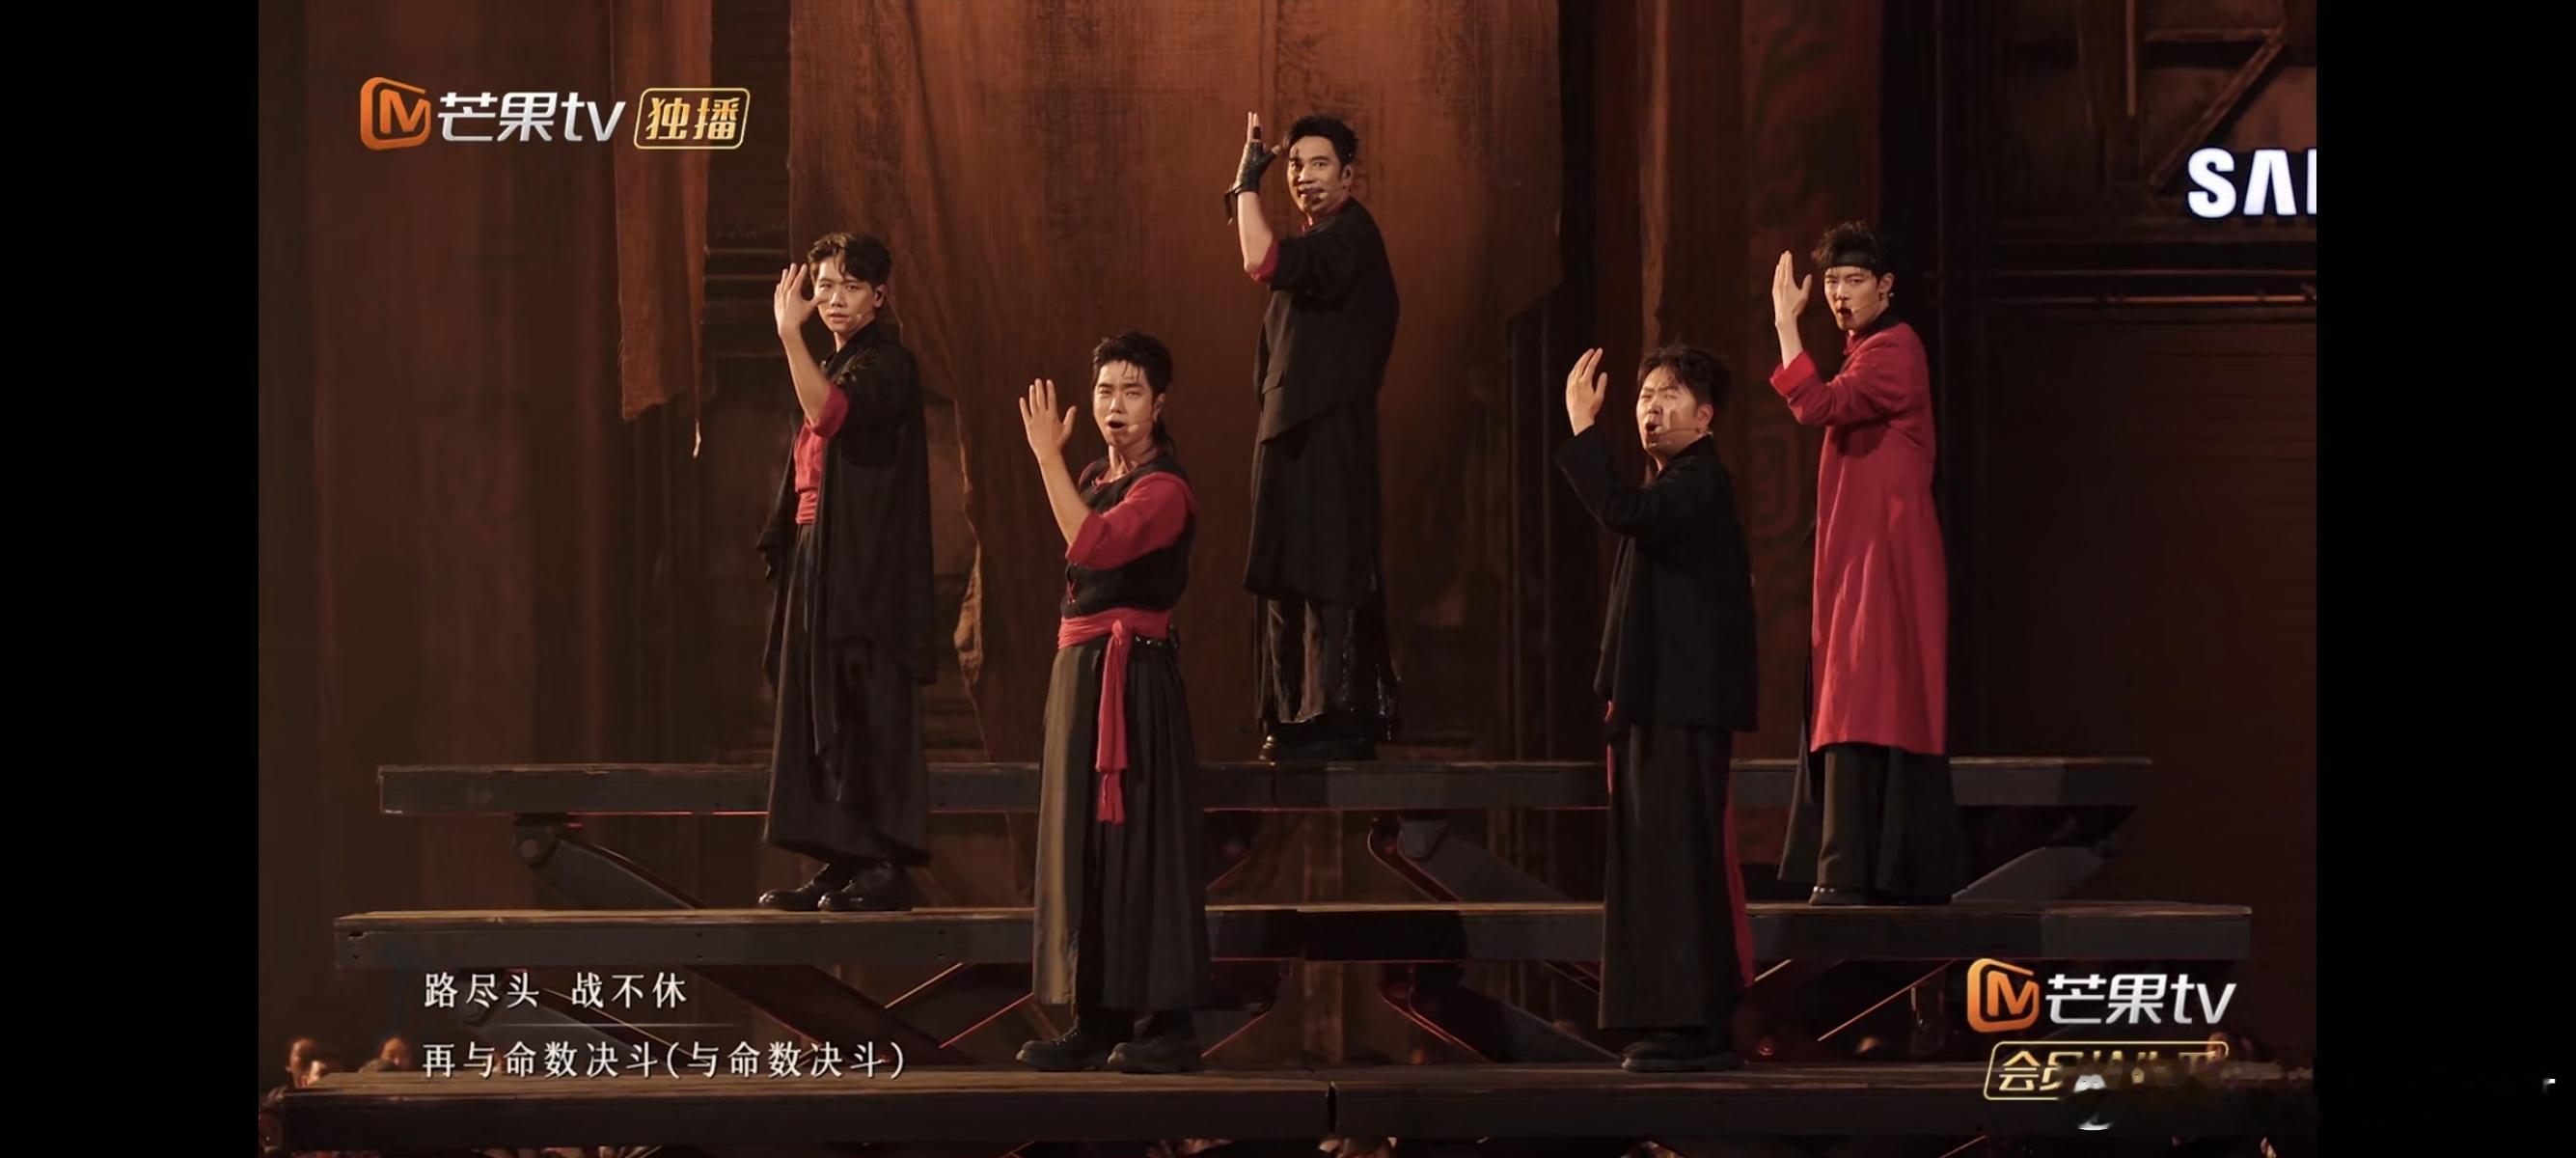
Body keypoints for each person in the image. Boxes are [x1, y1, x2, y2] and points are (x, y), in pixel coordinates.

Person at [1012, 333, 1215, 1074]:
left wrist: (1044, 457)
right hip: (1083, 673)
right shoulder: (1098, 474)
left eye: (1131, 391)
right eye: (1104, 391)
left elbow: (1093, 545)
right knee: (1083, 846)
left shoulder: (1164, 489)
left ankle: (1168, 1025)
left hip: (1134, 683)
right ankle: (1094, 1017)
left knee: (1142, 844)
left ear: (1159, 404)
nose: (1114, 405)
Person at [1555, 344, 1759, 1072]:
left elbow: (1623, 511)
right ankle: (1669, 1019)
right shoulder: (1676, 484)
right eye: (1644, 396)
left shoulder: (1699, 481)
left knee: (1678, 866)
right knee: (1656, 865)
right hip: (1658, 701)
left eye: (1669, 396)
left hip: (1683, 704)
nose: (1651, 408)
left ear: (1705, 417)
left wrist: (1583, 428)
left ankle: (1695, 1024)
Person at [1766, 221, 1965, 905]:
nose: (1839, 295)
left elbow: (1816, 405)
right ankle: (1851, 865)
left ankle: (1852, 868)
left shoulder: (1892, 351)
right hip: (1865, 556)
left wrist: (1785, 325)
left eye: (1853, 281)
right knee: (1856, 696)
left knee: (1865, 696)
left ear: (1886, 286)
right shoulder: (1868, 350)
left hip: (1886, 560)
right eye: (1831, 283)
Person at [754, 232, 939, 912]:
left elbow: (829, 416)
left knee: (866, 702)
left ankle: (884, 861)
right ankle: (840, 859)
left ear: (878, 296)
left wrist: (788, 334)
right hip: (817, 550)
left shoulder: (888, 362)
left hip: (866, 567)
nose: (834, 299)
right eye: (825, 286)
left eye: (851, 287)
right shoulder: (836, 361)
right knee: (817, 701)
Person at [1225, 112, 1402, 760]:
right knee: (1286, 573)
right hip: (1291, 434)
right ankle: (1294, 713)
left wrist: (1246, 185)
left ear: (1349, 175)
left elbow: (1260, 258)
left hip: (1327, 434)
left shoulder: (1350, 237)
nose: (1303, 176)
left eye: (1319, 164)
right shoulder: (1323, 241)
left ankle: (1334, 713)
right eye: (1295, 165)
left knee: (1329, 569)